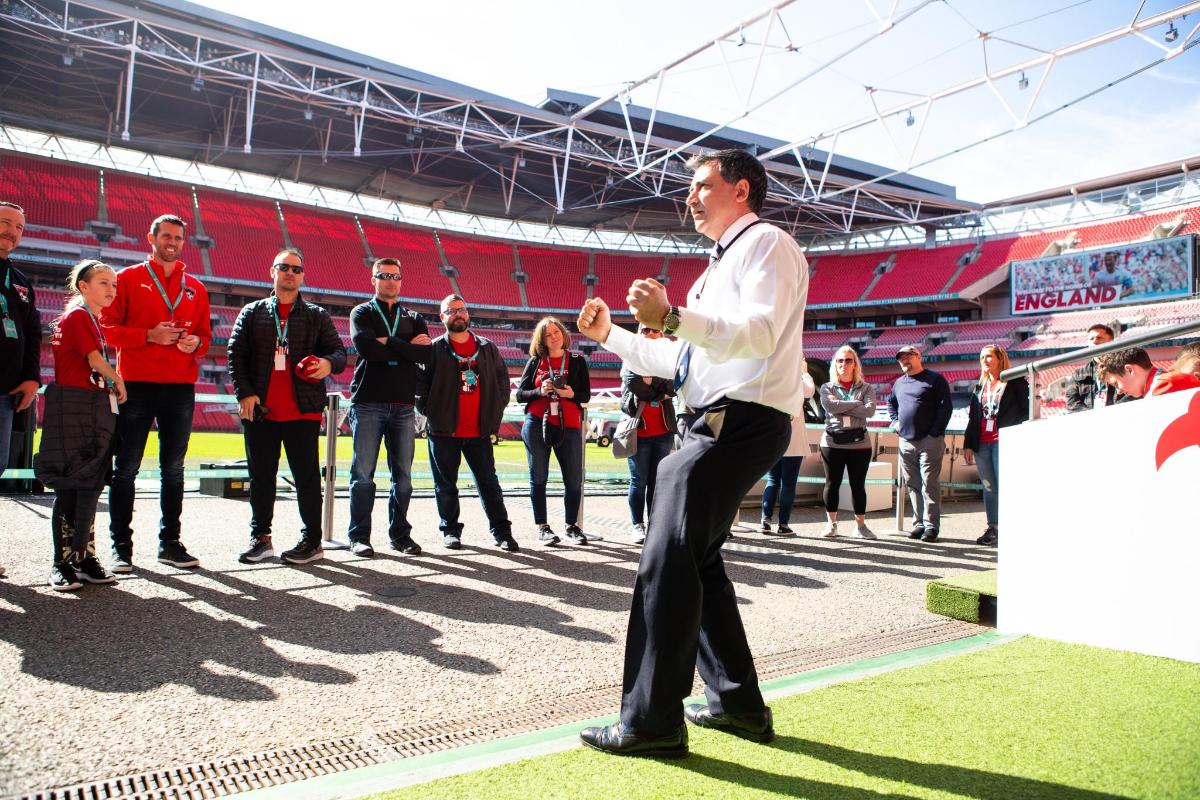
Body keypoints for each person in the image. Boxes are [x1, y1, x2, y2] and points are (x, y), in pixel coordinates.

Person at [576, 148, 808, 757]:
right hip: (718, 420)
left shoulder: (768, 245)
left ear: (742, 188)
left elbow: (757, 335)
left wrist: (674, 315)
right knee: (695, 562)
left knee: (666, 557)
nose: (691, 196)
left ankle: (652, 721)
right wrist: (612, 336)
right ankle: (737, 704)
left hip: (740, 420)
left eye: (704, 184)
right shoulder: (717, 267)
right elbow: (680, 362)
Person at [101, 213, 211, 572]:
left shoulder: (196, 287)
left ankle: (170, 543)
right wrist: (148, 335)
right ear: (151, 238)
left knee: (174, 469)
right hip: (136, 384)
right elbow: (106, 329)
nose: (172, 242)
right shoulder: (128, 278)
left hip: (180, 387)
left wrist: (195, 343)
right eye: (166, 235)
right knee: (127, 467)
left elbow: (207, 338)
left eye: (178, 237)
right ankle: (121, 546)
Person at [228, 248, 346, 565]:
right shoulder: (252, 313)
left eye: (296, 268)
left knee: (306, 479)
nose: (290, 273)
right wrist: (245, 393)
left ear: (302, 275)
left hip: (303, 411)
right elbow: (235, 355)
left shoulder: (316, 316)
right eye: (284, 267)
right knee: (261, 478)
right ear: (273, 271)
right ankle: (261, 538)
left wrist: (326, 363)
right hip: (261, 411)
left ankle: (312, 541)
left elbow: (339, 353)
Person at [34, 261, 125, 590]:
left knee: (90, 483)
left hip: (89, 408)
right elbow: (95, 361)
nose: (111, 289)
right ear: (82, 286)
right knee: (71, 483)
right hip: (74, 408)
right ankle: (62, 563)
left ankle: (84, 558)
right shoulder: (78, 317)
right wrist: (118, 381)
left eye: (113, 284)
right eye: (103, 282)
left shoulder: (89, 318)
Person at [416, 295, 518, 551]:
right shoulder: (435, 349)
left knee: (489, 484)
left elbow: (502, 382)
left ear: (468, 313)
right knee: (446, 485)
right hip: (443, 431)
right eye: (450, 311)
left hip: (479, 431)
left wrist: (495, 412)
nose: (457, 314)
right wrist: (432, 412)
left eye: (461, 309)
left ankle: (502, 532)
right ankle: (450, 530)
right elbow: (420, 387)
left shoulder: (487, 347)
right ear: (442, 317)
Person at [345, 258, 431, 557]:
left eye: (396, 276)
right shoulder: (362, 312)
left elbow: (426, 354)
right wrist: (406, 345)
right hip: (368, 402)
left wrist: (390, 342)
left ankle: (400, 535)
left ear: (401, 280)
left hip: (404, 405)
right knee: (363, 474)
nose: (390, 281)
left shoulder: (414, 317)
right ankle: (359, 536)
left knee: (403, 477)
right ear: (374, 279)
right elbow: (366, 348)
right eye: (384, 275)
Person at [516, 316, 591, 546]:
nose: (554, 336)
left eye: (556, 331)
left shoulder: (577, 359)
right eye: (548, 334)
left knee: (573, 478)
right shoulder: (535, 361)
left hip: (568, 423)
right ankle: (543, 527)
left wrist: (570, 394)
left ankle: (572, 526)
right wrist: (540, 390)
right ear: (542, 340)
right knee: (538, 477)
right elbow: (520, 395)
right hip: (538, 421)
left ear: (563, 333)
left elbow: (585, 395)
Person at [0, 201, 40, 581]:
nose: (12, 231)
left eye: (19, 227)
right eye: (5, 223)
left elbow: (30, 335)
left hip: (5, 393)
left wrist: (31, 377)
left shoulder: (20, 282)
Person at [962, 345, 1030, 547]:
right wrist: (967, 444)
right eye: (982, 357)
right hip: (982, 443)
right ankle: (993, 527)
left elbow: (1027, 411)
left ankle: (1014, 527)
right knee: (989, 487)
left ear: (1000, 358)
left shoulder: (1015, 380)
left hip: (1004, 441)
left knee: (1007, 485)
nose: (985, 360)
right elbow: (973, 418)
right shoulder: (979, 386)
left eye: (989, 356)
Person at [887, 345, 951, 543]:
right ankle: (919, 524)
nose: (904, 361)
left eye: (908, 357)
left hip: (929, 441)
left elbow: (946, 407)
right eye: (901, 358)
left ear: (918, 356)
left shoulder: (935, 379)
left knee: (929, 483)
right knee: (913, 484)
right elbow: (891, 404)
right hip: (906, 441)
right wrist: (895, 422)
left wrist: (934, 433)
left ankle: (931, 526)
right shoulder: (898, 383)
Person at [620, 326, 677, 545]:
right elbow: (636, 388)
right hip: (639, 430)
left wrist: (651, 381)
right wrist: (660, 388)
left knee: (657, 482)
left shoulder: (668, 359)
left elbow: (673, 387)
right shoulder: (630, 360)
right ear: (638, 335)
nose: (650, 334)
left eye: (655, 331)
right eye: (645, 331)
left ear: (662, 335)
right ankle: (637, 525)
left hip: (664, 431)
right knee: (639, 481)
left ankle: (655, 524)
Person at [818, 346, 877, 539]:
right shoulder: (827, 387)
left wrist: (841, 406)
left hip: (860, 443)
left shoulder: (866, 387)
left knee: (858, 485)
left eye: (849, 360)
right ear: (835, 363)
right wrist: (856, 404)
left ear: (855, 364)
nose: (844, 364)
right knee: (831, 484)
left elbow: (869, 411)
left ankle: (860, 526)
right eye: (840, 360)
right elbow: (830, 406)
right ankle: (831, 524)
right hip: (832, 441)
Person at [760, 359, 815, 536]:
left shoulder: (771, 379)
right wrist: (804, 371)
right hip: (793, 439)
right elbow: (810, 390)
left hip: (773, 439)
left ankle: (765, 520)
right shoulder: (795, 380)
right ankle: (783, 524)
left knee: (773, 480)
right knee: (788, 484)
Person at [1064, 324, 1117, 413]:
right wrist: (1093, 416)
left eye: (1099, 338)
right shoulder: (1078, 373)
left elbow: (1131, 395)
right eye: (1091, 339)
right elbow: (1072, 403)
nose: (1094, 341)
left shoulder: (1122, 367)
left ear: (1111, 342)